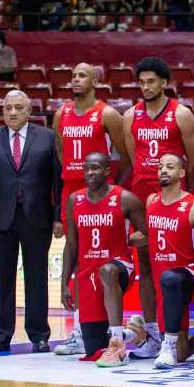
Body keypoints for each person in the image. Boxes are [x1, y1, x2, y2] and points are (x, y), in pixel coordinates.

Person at [0, 90, 63, 353]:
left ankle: (39, 335)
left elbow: (58, 182)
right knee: (0, 279)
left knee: (36, 278)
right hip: (0, 219)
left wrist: (58, 216)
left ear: (29, 111)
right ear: (2, 111)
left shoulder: (47, 138)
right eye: (8, 107)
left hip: (38, 217)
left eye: (19, 107)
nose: (13, 112)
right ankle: (0, 335)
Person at [122, 57, 194, 360]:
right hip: (143, 192)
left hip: (172, 194)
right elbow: (132, 156)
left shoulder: (181, 114)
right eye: (141, 82)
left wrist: (177, 193)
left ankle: (177, 331)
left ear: (164, 82)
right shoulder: (130, 115)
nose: (146, 87)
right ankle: (153, 333)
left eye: (151, 81)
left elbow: (192, 162)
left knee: (173, 263)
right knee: (143, 262)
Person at [52, 63, 130, 356]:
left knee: (101, 256)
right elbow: (60, 151)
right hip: (72, 189)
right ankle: (77, 331)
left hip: (101, 191)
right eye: (73, 75)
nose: (75, 79)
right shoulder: (61, 113)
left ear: (96, 80)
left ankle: (110, 327)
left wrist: (111, 188)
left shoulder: (107, 114)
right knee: (77, 253)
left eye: (82, 75)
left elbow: (123, 155)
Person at [61, 153, 147, 366]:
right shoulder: (75, 200)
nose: (90, 173)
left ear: (108, 171)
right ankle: (133, 333)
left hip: (119, 267)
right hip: (87, 274)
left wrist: (128, 241)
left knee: (107, 271)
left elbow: (149, 233)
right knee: (94, 349)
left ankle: (118, 344)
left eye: (96, 168)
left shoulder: (125, 198)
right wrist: (64, 283)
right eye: (87, 168)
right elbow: (71, 244)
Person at [142, 154, 194, 368]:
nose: (163, 170)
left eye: (170, 167)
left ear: (182, 173)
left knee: (171, 279)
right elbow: (147, 235)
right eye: (160, 167)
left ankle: (167, 345)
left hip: (190, 274)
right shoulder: (151, 201)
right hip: (164, 281)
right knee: (182, 354)